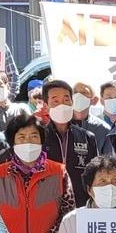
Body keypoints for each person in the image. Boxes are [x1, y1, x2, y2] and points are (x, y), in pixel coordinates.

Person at [40, 79, 101, 207]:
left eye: (66, 100)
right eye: (55, 101)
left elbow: (94, 176)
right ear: (46, 105)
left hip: (80, 207)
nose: (62, 105)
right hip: (46, 206)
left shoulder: (87, 137)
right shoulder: (38, 138)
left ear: (72, 102)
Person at [72, 81, 111, 153]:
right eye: (75, 92)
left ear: (94, 100)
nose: (78, 95)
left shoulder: (103, 128)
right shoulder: (61, 125)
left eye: (84, 93)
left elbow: (107, 159)